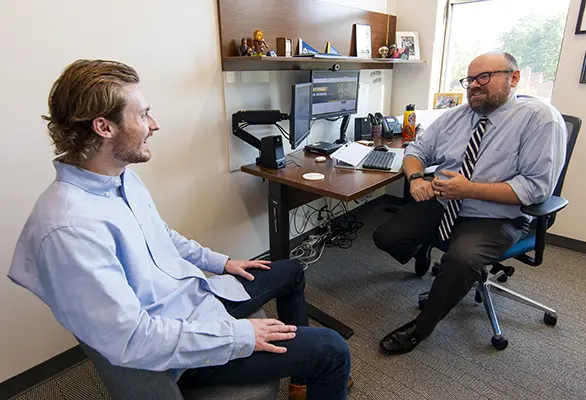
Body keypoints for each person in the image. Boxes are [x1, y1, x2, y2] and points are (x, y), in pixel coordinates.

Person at [8, 59, 351, 400]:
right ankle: (315, 369)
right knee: (333, 349)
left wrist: (222, 263)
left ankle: (301, 382)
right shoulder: (68, 229)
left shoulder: (118, 178)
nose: (154, 125)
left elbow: (160, 234)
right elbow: (134, 340)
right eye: (142, 115)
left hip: (195, 299)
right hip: (185, 349)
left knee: (290, 271)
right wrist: (240, 336)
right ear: (103, 127)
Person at [372, 52, 567, 354]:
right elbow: (416, 152)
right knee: (385, 236)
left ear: (513, 78)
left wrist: (470, 189)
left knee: (461, 260)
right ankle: (424, 246)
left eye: (484, 77)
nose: (474, 85)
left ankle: (420, 329)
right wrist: (416, 180)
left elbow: (536, 189)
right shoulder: (455, 117)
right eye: (470, 79)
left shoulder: (540, 119)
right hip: (446, 203)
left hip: (499, 217)